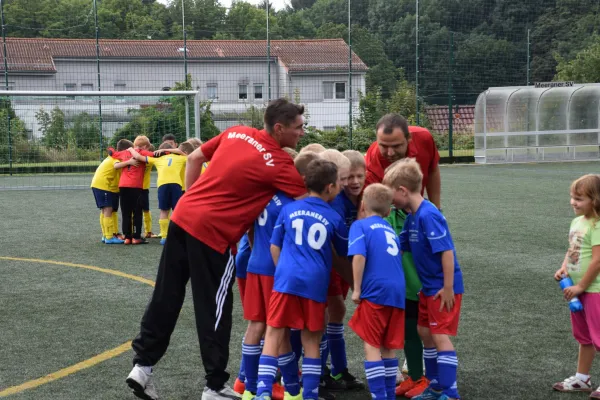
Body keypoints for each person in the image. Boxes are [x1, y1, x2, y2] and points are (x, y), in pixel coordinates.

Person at [126, 98, 308, 400]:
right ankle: (214, 386)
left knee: (166, 293)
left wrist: (193, 197)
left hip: (182, 218)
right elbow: (309, 201)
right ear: (279, 128)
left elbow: (195, 158)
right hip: (213, 235)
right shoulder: (279, 163)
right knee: (215, 308)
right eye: (299, 128)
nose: (302, 133)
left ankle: (142, 366)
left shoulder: (236, 132)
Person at [254, 159, 350, 400]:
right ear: (329, 187)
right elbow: (342, 256)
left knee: (274, 333)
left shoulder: (289, 209)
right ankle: (309, 395)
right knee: (311, 340)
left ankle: (263, 392)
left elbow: (274, 247)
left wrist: (283, 271)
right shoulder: (334, 217)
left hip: (285, 280)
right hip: (315, 284)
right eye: (339, 183)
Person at [385, 158, 464, 400]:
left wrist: (448, 287)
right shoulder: (411, 217)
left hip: (442, 288)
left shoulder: (429, 215)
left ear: (403, 191)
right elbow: (399, 247)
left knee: (439, 336)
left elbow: (447, 252)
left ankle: (450, 392)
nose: (390, 201)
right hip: (427, 289)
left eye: (391, 195)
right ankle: (434, 384)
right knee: (424, 331)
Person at [240, 150, 311, 400]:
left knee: (255, 325)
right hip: (275, 271)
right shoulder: (291, 202)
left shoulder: (261, 196)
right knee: (277, 330)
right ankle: (292, 388)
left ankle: (247, 387)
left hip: (255, 265)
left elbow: (248, 231)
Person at [348, 183, 406, 400]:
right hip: (397, 293)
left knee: (372, 345)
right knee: (388, 346)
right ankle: (389, 394)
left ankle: (379, 396)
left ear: (362, 205)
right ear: (389, 211)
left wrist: (357, 289)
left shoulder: (360, 226)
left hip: (375, 292)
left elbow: (359, 256)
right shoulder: (390, 229)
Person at [319, 149, 364, 392]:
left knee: (336, 313)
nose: (353, 182)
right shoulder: (336, 201)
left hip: (348, 263)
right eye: (347, 177)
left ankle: (337, 369)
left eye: (359, 176)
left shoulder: (366, 197)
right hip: (334, 264)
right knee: (332, 310)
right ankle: (324, 370)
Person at [552, 174, 600, 398]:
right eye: (572, 197)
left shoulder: (598, 224)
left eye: (579, 199)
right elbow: (573, 249)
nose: (573, 202)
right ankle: (582, 378)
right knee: (584, 337)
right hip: (578, 291)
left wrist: (581, 286)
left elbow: (598, 260)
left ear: (596, 200)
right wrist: (564, 268)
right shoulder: (576, 222)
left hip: (595, 291)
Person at [364, 114, 441, 209]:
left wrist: (437, 208)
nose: (390, 153)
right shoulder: (372, 162)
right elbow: (372, 205)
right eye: (384, 146)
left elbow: (432, 170)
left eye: (396, 146)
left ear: (409, 138)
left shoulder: (424, 139)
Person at [129, 142, 192, 245]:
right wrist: (175, 150)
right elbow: (190, 157)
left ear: (160, 151)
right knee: (177, 212)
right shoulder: (180, 158)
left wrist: (131, 149)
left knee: (164, 211)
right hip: (176, 186)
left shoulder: (157, 159)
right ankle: (177, 236)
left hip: (163, 186)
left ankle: (164, 236)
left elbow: (138, 157)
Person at [90, 139, 135, 244]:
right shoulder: (116, 158)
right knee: (107, 210)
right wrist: (129, 162)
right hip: (103, 186)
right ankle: (109, 237)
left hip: (101, 185)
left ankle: (106, 235)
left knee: (106, 210)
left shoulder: (113, 156)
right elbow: (116, 166)